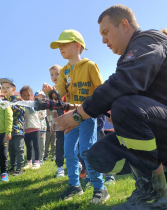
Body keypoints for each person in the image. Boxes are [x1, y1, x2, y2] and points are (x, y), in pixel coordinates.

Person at [56, 5, 167, 209]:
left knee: (124, 106)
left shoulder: (149, 40)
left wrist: (78, 114)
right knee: (97, 156)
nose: (103, 40)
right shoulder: (133, 54)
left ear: (124, 24)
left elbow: (124, 82)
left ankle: (152, 196)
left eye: (105, 32)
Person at [45, 29, 109, 203]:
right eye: (59, 46)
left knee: (86, 150)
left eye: (64, 44)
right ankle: (74, 185)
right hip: (70, 117)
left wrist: (104, 109)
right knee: (69, 152)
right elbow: (59, 90)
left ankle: (100, 188)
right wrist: (53, 95)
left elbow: (101, 89)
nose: (61, 48)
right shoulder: (64, 70)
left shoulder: (90, 66)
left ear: (77, 45)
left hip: (87, 116)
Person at [0, 78, 25, 176]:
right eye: (2, 87)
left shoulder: (18, 100)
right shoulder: (2, 101)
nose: (5, 89)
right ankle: (12, 167)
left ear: (13, 89)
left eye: (7, 87)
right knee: (11, 150)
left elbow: (20, 111)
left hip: (18, 130)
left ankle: (19, 168)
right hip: (7, 131)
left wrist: (9, 107)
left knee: (19, 149)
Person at [43, 64, 64, 177]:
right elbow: (49, 109)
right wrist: (51, 123)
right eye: (52, 74)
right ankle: (60, 167)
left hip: (69, 120)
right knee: (60, 143)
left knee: (75, 143)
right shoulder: (50, 92)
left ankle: (79, 163)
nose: (54, 76)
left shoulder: (67, 87)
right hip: (58, 122)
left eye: (57, 73)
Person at [20, 86, 41, 170]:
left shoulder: (34, 104)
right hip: (26, 129)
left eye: (28, 95)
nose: (26, 97)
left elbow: (32, 111)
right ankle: (29, 162)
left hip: (35, 128)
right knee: (28, 146)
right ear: (21, 96)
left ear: (32, 96)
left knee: (36, 146)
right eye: (24, 96)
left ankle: (37, 162)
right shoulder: (21, 105)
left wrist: (27, 104)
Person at [33, 90, 47, 165]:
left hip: (42, 128)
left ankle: (40, 159)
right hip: (33, 128)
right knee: (33, 144)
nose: (39, 100)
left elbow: (42, 115)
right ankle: (33, 159)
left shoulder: (44, 107)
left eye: (41, 98)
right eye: (37, 98)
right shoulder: (32, 106)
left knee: (41, 144)